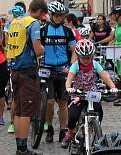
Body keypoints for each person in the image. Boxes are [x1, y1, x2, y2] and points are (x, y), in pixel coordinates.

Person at [6, 0, 48, 155]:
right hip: (28, 70)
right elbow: (37, 50)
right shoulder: (32, 23)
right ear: (39, 11)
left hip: (15, 69)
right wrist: (43, 49)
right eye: (43, 14)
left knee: (19, 110)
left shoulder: (15, 21)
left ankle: (19, 145)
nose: (43, 17)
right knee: (27, 112)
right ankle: (23, 149)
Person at [61, 39, 117, 149]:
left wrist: (113, 87)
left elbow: (104, 76)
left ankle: (95, 128)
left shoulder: (95, 64)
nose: (86, 60)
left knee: (99, 111)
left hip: (92, 92)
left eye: (89, 57)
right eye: (83, 58)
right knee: (73, 116)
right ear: (78, 56)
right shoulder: (75, 66)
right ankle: (70, 133)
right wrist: (68, 88)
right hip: (78, 93)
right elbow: (69, 79)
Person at [41, 1, 76, 144]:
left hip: (62, 69)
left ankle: (63, 130)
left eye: (62, 16)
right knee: (49, 102)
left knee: (63, 102)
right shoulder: (43, 31)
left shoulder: (68, 31)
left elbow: (74, 51)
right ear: (51, 15)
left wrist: (72, 65)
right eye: (57, 16)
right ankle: (49, 127)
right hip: (47, 70)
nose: (60, 18)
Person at [5, 3, 26, 134]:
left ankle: (13, 123)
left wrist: (9, 58)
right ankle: (17, 122)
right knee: (19, 96)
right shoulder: (23, 23)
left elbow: (8, 44)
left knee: (15, 96)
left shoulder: (10, 24)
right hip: (21, 62)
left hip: (13, 61)